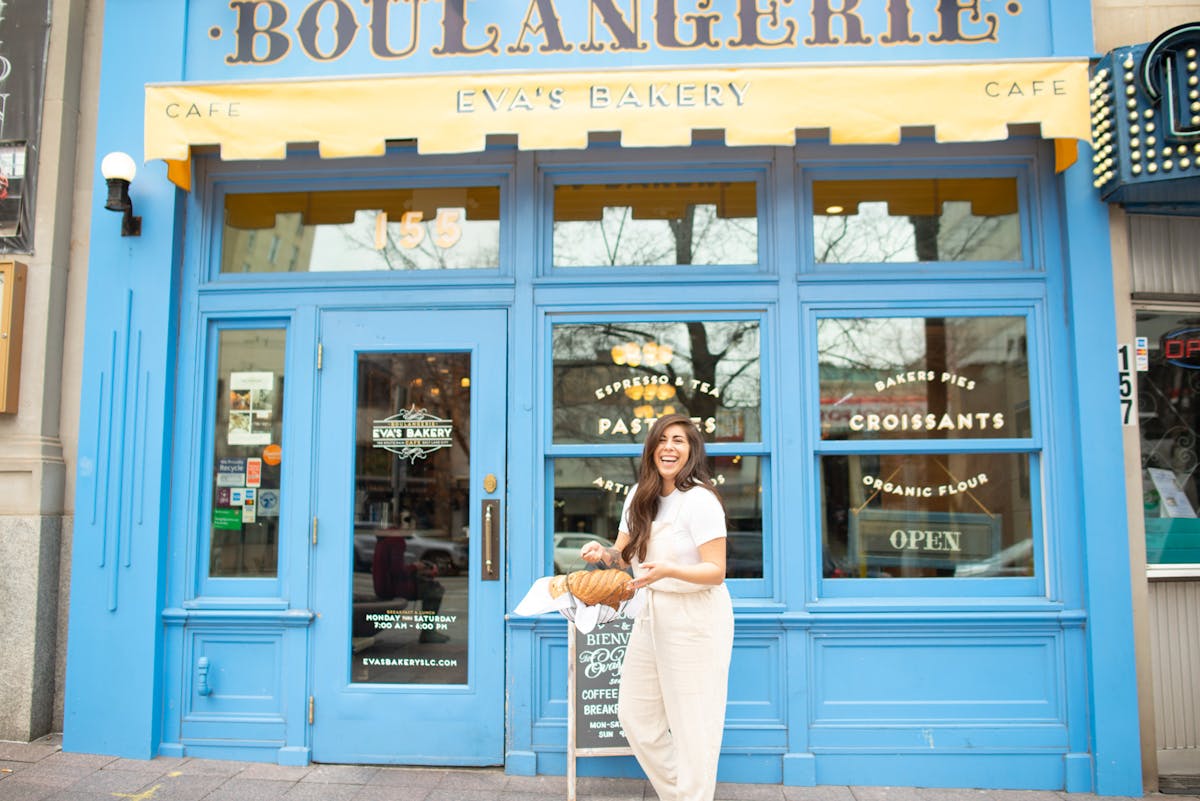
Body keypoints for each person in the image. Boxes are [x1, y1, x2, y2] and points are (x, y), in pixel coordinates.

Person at [580, 413, 733, 801]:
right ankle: (682, 794)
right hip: (651, 614)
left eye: (679, 440)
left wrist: (669, 571)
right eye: (662, 439)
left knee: (693, 724)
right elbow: (623, 554)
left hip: (695, 617)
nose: (669, 447)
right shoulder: (639, 495)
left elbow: (716, 571)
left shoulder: (700, 500)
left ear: (691, 451)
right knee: (636, 715)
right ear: (651, 449)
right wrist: (604, 553)